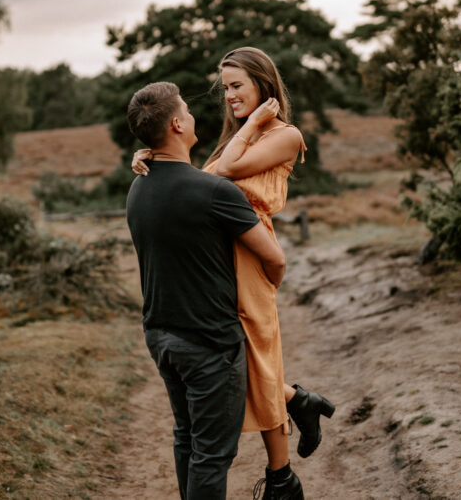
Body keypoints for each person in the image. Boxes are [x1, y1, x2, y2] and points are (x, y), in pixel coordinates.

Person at [132, 47, 335, 499]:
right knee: (245, 364)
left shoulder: (284, 134)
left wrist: (254, 125)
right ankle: (298, 407)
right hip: (226, 257)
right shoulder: (237, 138)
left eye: (237, 85)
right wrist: (145, 156)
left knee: (257, 361)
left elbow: (223, 174)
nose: (228, 96)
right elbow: (194, 178)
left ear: (264, 84)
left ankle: (283, 473)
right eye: (225, 88)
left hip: (253, 255)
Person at [125, 81, 288, 500]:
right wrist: (267, 286)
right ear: (178, 124)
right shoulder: (215, 192)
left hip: (160, 335)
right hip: (209, 342)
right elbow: (276, 260)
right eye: (188, 110)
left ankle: (299, 400)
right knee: (212, 455)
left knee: (187, 438)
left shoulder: (138, 187)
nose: (197, 116)